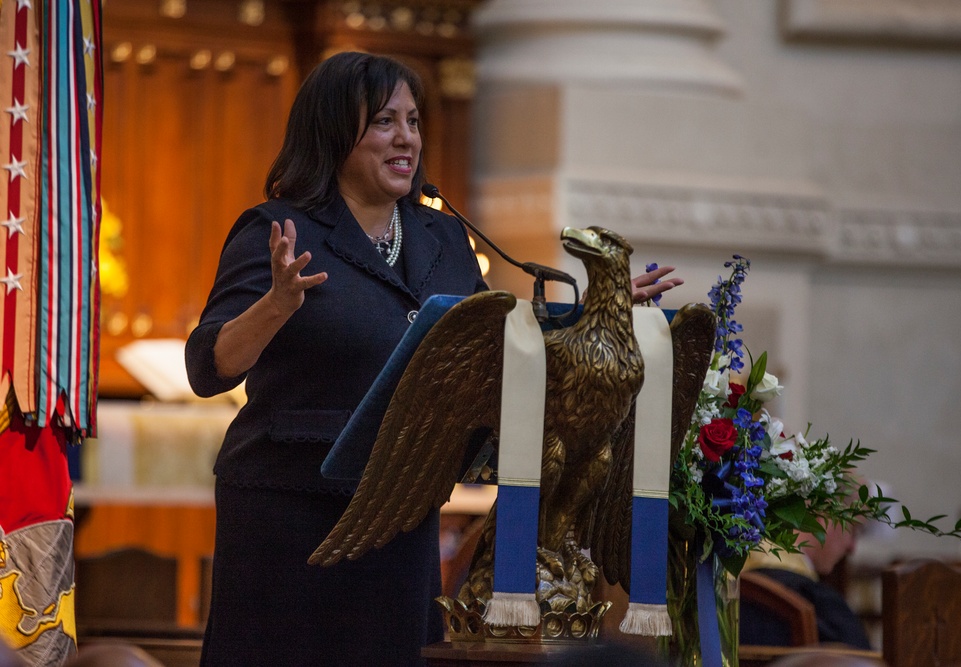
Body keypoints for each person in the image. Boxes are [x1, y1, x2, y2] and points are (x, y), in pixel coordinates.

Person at [186, 51, 682, 666]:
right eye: (385, 122)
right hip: (290, 509)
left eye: (414, 121)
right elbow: (208, 368)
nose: (407, 138)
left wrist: (596, 312)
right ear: (336, 132)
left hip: (401, 504)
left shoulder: (441, 236)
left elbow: (504, 343)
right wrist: (276, 304)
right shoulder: (281, 229)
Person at [739, 520, 872, 650]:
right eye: (852, 529)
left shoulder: (729, 576)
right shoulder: (817, 601)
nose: (852, 547)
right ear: (824, 516)